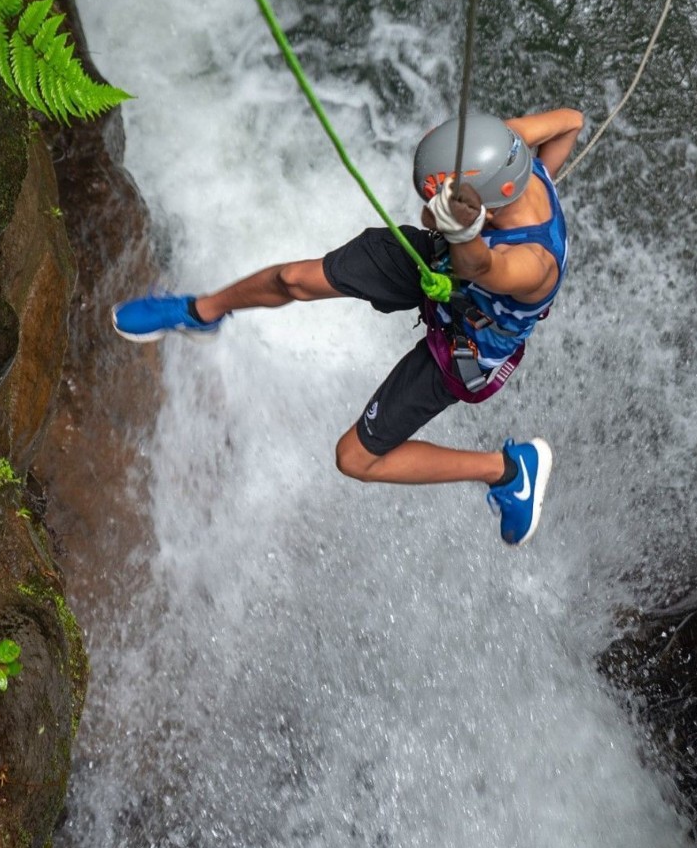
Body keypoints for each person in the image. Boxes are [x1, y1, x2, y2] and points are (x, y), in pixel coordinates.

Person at [112, 108, 581, 546]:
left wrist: (461, 231)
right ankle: (201, 313)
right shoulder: (506, 152)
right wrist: (457, 201)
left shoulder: (530, 265)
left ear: (491, 204)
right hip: (437, 265)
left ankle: (507, 471)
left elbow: (481, 266)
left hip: (467, 341)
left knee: (355, 458)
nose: (426, 211)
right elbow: (571, 122)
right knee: (293, 280)